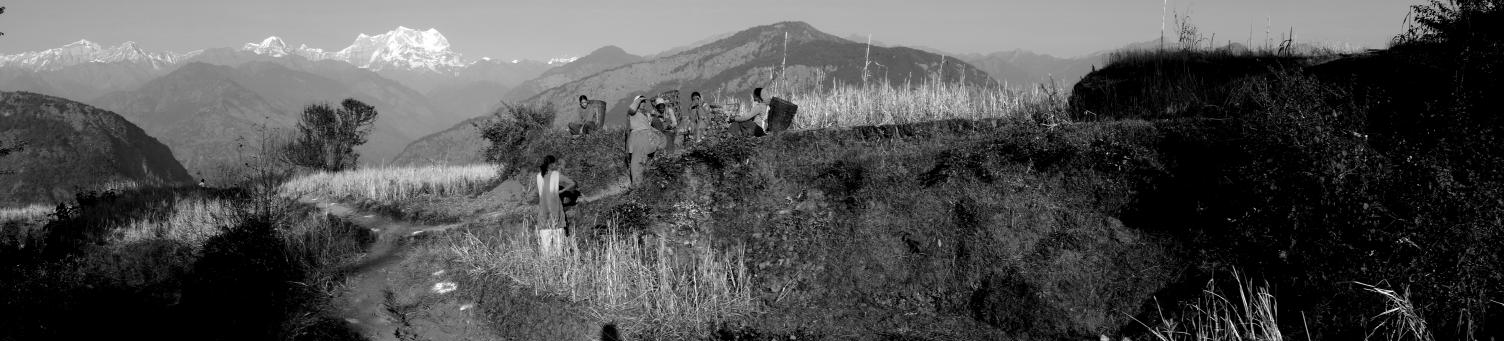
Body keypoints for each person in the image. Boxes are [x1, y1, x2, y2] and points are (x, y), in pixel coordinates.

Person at [536, 155, 577, 257]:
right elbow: (573, 183)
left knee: (545, 253)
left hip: (543, 218)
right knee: (559, 252)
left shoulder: (538, 176)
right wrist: (562, 190)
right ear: (552, 164)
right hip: (556, 216)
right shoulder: (556, 175)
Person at [626, 95, 665, 187]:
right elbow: (631, 109)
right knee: (636, 164)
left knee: (646, 161)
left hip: (646, 139)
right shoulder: (633, 113)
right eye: (641, 102)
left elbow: (649, 126)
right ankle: (636, 185)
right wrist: (638, 100)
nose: (643, 103)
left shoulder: (645, 114)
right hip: (637, 139)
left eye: (644, 102)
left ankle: (646, 183)